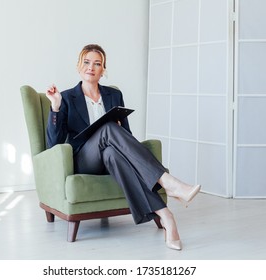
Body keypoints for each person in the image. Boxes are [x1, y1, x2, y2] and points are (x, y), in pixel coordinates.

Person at [46, 44, 201, 250]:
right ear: (78, 66)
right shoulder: (66, 97)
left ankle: (166, 216)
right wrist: (55, 107)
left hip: (110, 155)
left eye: (97, 63)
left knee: (112, 151)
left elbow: (127, 136)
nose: (91, 67)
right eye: (86, 62)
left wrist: (117, 132)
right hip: (85, 159)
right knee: (108, 127)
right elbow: (53, 144)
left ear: (103, 70)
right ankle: (168, 182)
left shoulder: (113, 95)